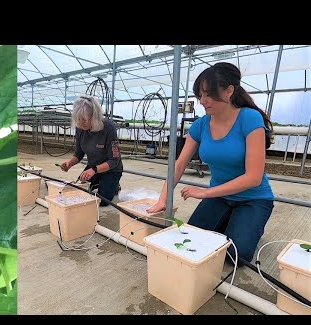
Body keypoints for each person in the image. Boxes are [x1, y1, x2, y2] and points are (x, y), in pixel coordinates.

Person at [147, 62, 274, 263]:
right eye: (200, 95)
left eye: (208, 94)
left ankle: (249, 225)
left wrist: (204, 193)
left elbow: (253, 177)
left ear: (229, 91)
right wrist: (162, 200)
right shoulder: (201, 125)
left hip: (253, 198)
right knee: (191, 242)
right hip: (220, 197)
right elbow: (179, 165)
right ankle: (234, 224)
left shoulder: (250, 118)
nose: (202, 101)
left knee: (235, 255)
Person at [60, 95, 123, 206]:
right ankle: (99, 182)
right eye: (77, 119)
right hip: (93, 167)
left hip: (111, 169)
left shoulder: (109, 128)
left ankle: (114, 185)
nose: (80, 123)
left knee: (102, 201)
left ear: (94, 116)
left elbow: (114, 160)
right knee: (79, 191)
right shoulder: (80, 129)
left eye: (84, 119)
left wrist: (94, 170)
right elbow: (79, 153)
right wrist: (69, 163)